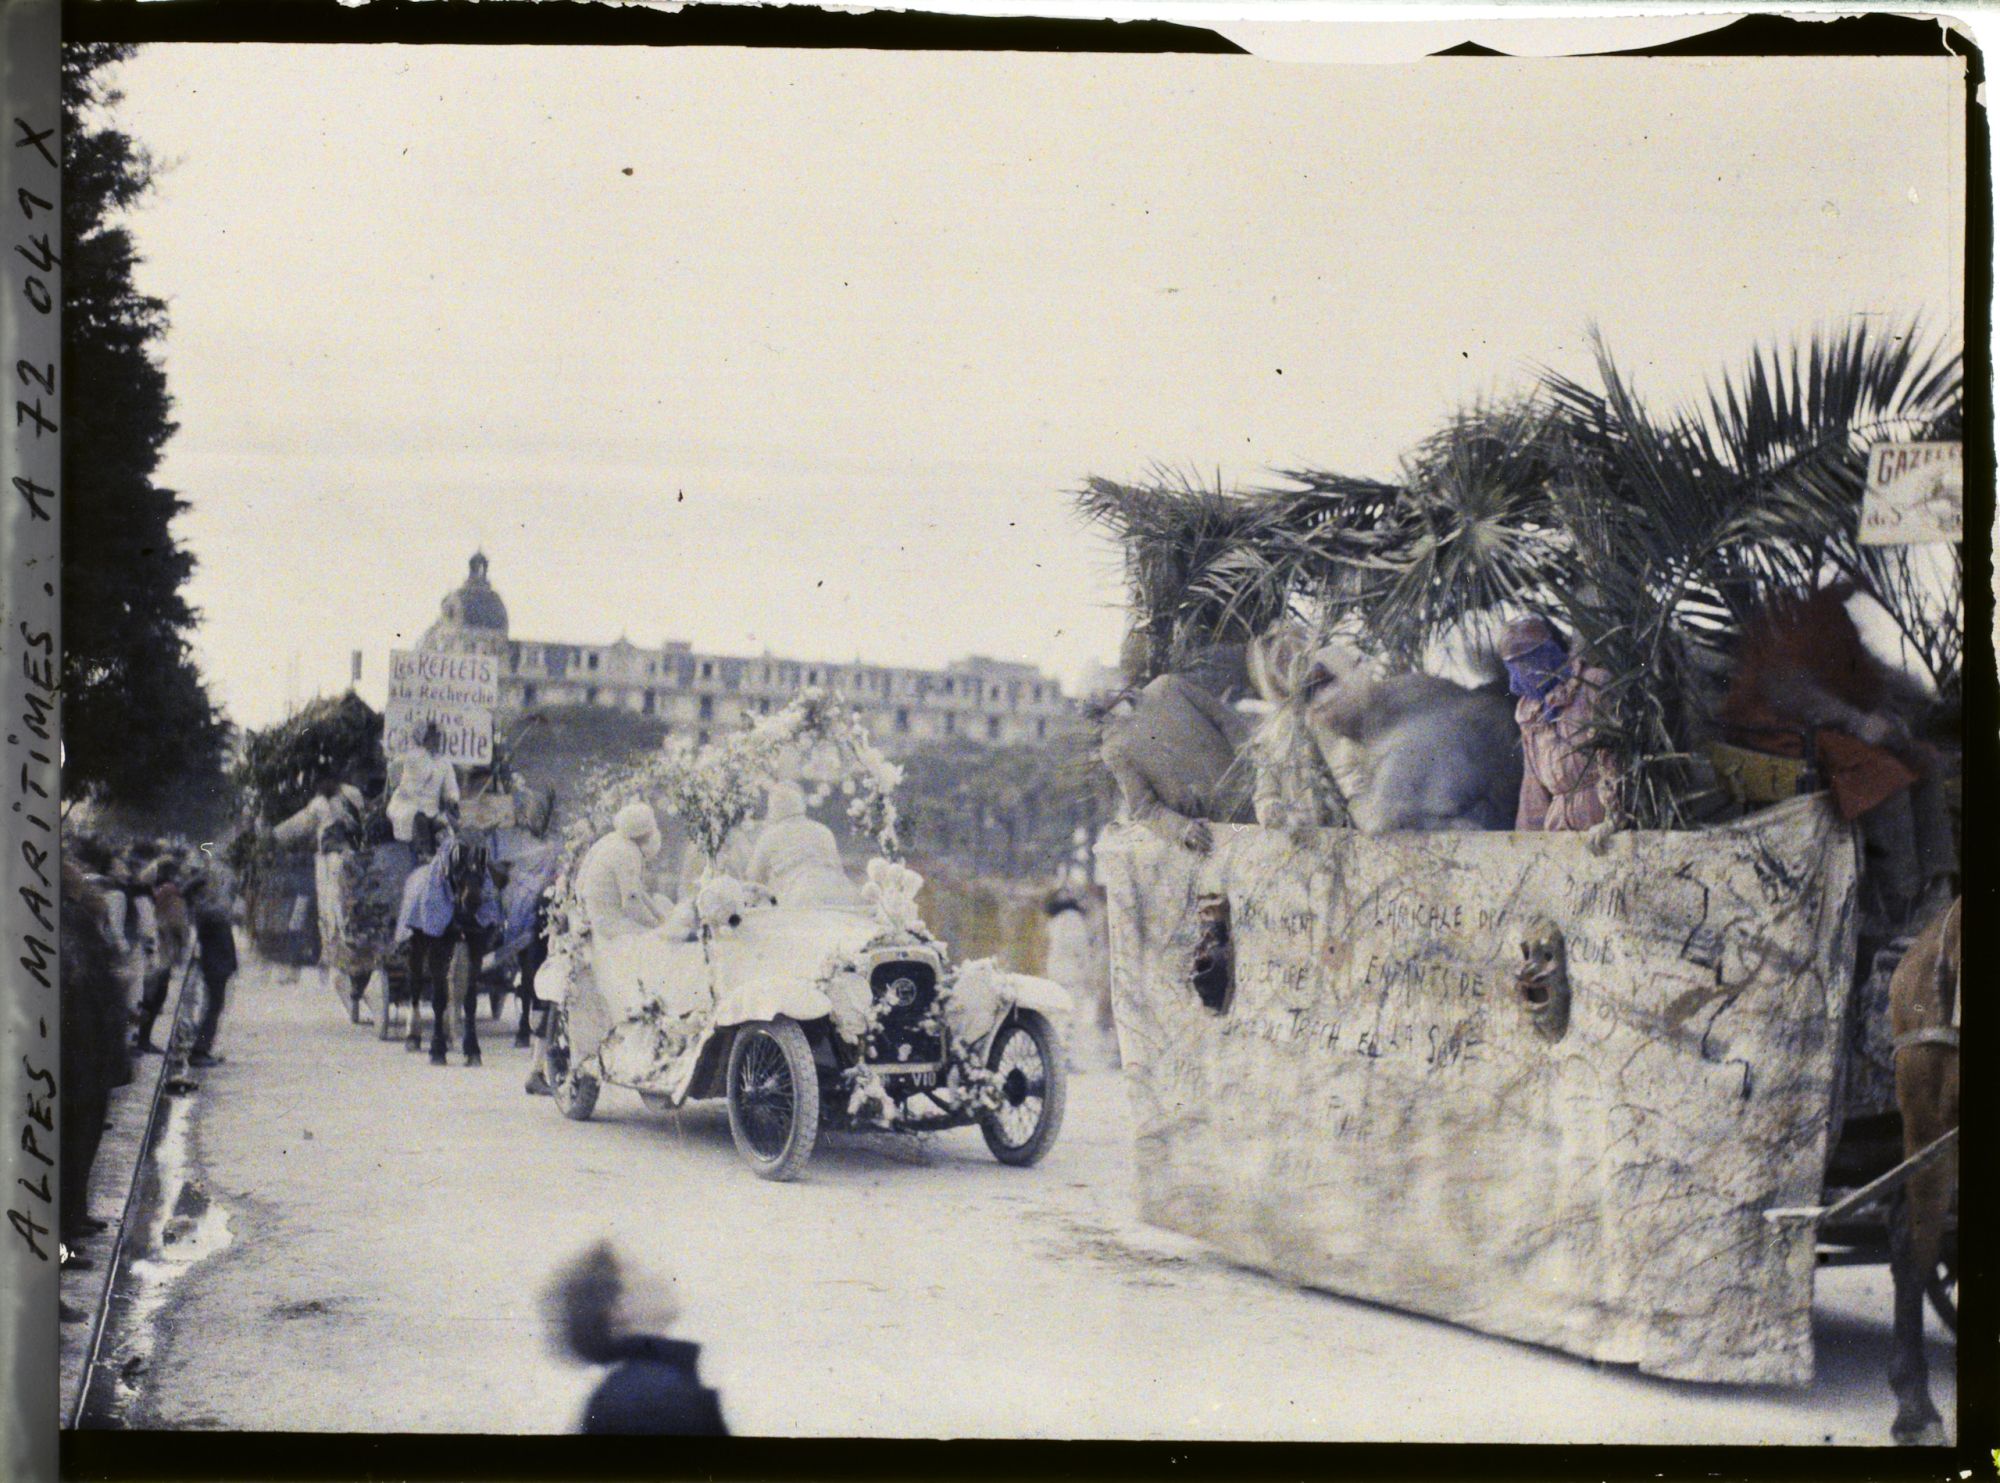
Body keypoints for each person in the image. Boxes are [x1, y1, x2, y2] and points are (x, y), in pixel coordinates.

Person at [1720, 582, 1955, 927]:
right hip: (1783, 734)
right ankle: (1900, 899)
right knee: (1887, 779)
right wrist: (1858, 721)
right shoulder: (1784, 620)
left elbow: (1867, 672)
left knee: (1925, 761)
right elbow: (1791, 690)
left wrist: (1914, 702)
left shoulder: (1833, 617)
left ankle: (1937, 885)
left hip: (1830, 727)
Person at [545, 1241, 728, 1436]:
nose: (658, 1277)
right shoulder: (651, 1392)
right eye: (637, 1271)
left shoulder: (641, 1386)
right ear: (617, 1309)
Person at [1498, 615, 1616, 832]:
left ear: (1548, 652)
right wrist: (1528, 844)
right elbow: (1533, 786)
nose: (1520, 677)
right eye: (1514, 667)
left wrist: (1614, 820)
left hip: (1600, 818)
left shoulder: (1593, 685)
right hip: (1559, 824)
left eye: (1526, 663)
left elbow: (1617, 758)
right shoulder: (1530, 711)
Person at [270, 771, 372, 1023]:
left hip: (332, 867)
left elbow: (291, 830)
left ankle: (330, 952)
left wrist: (272, 836)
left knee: (329, 915)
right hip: (357, 860)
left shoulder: (321, 804)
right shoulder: (352, 795)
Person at [744, 783, 863, 911]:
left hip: (799, 896)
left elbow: (754, 879)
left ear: (772, 809)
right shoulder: (823, 830)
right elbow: (838, 868)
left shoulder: (768, 836)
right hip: (840, 890)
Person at [575, 803, 668, 943]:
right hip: (609, 921)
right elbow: (631, 902)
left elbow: (638, 891)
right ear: (645, 835)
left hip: (594, 913)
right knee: (658, 940)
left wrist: (661, 917)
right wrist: (656, 925)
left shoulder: (614, 839)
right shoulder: (628, 852)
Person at [182, 860, 241, 1069]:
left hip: (218, 963)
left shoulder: (206, 909)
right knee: (213, 1007)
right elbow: (224, 909)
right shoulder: (207, 911)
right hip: (216, 964)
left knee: (214, 1007)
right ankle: (200, 1050)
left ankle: (203, 1048)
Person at [388, 721, 460, 860]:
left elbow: (451, 787)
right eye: (432, 737)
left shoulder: (445, 763)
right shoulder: (413, 758)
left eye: (438, 737)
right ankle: (426, 857)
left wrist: (452, 798)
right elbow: (404, 784)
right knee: (420, 821)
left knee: (451, 827)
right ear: (424, 739)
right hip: (409, 805)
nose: (436, 741)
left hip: (432, 808)